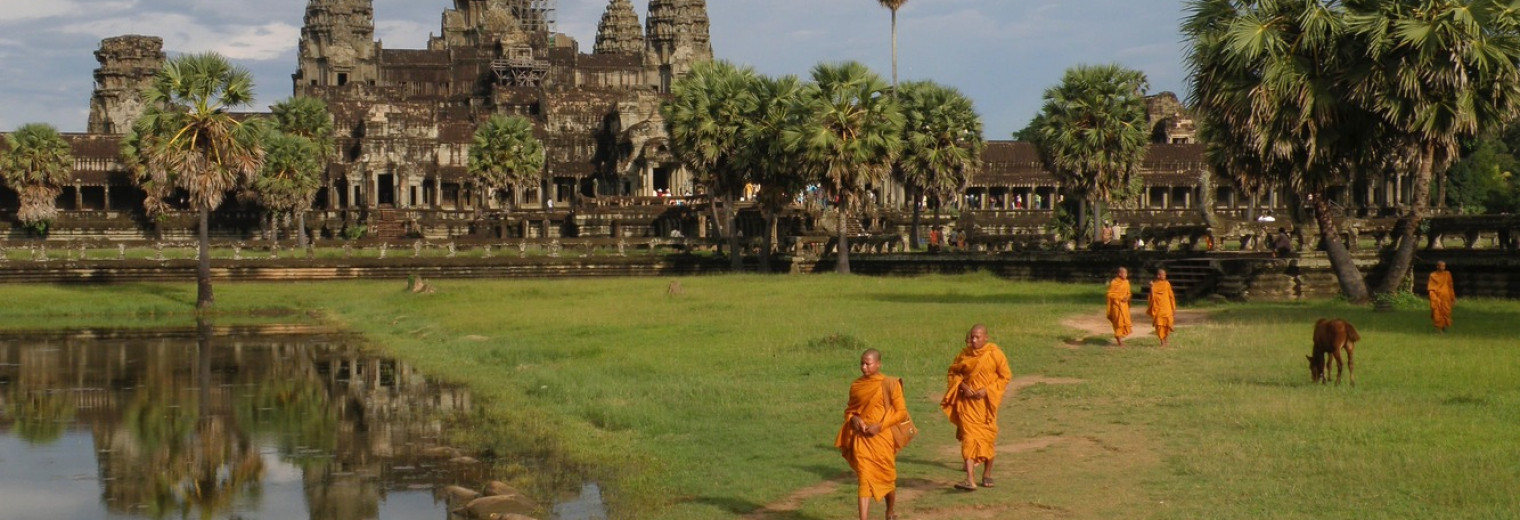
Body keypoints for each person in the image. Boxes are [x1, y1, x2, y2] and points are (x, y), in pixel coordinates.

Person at [836, 349, 907, 520]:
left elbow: (901, 413)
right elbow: (850, 411)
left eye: (868, 363)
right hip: (862, 439)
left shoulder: (890, 384)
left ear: (878, 364)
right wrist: (853, 420)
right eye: (862, 363)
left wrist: (880, 426)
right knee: (864, 477)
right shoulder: (856, 386)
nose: (864, 367)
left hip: (882, 438)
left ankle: (889, 511)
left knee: (887, 477)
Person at [941, 324, 1011, 491]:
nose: (973, 340)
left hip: (986, 406)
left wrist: (987, 391)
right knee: (968, 439)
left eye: (977, 337)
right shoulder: (964, 355)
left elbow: (1005, 376)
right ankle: (970, 479)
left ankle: (986, 474)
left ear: (986, 337)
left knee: (988, 439)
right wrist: (961, 385)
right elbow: (953, 373)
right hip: (967, 405)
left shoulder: (995, 354)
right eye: (972, 337)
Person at [1147, 269, 1177, 347]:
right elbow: (1151, 297)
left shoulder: (1167, 284)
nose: (1164, 276)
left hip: (1167, 308)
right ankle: (1162, 341)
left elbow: (1171, 296)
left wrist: (1173, 307)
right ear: (1158, 276)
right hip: (1158, 308)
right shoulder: (1154, 285)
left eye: (1165, 275)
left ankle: (1166, 339)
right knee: (1159, 325)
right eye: (1162, 275)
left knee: (1168, 324)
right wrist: (1151, 287)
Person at [1107, 267, 1133, 346]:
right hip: (1116, 306)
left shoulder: (1126, 282)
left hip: (1124, 306)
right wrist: (1120, 298)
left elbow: (1128, 293)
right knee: (1118, 323)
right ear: (1119, 274)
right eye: (1124, 273)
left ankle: (1120, 338)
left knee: (1125, 322)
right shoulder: (1114, 282)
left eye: (1126, 273)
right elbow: (1110, 294)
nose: (1126, 275)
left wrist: (1127, 297)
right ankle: (1119, 341)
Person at [1427, 261, 1456, 333]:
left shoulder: (1447, 274)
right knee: (1437, 313)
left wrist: (1453, 297)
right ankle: (1439, 330)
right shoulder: (1433, 275)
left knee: (1446, 313)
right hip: (1436, 297)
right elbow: (1431, 288)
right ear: (1437, 266)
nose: (1443, 267)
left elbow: (1450, 286)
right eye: (1441, 266)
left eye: (1444, 266)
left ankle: (1443, 327)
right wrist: (1433, 297)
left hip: (1446, 297)